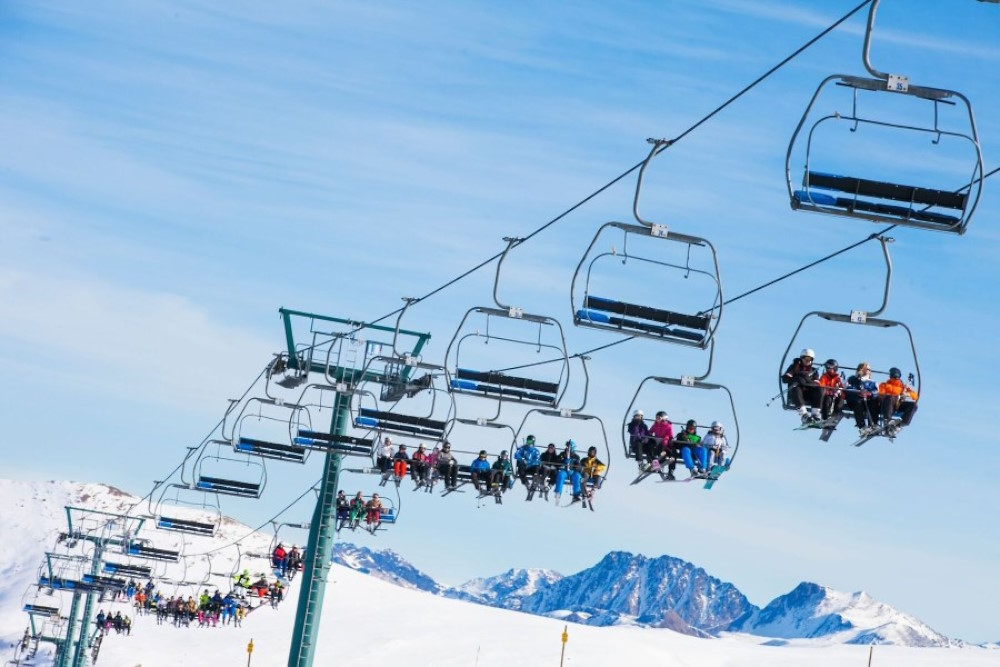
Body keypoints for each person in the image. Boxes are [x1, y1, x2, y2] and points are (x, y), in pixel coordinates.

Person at [782, 348, 822, 423]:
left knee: (819, 389)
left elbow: (816, 383)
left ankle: (815, 415)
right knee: (795, 387)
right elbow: (785, 379)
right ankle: (804, 415)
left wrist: (807, 381)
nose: (808, 361)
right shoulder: (794, 368)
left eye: (810, 359)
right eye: (806, 358)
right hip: (797, 393)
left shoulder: (813, 370)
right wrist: (796, 379)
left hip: (808, 393)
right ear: (802, 358)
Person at [878, 367, 918, 434]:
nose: (895, 378)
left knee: (913, 405)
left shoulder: (903, 388)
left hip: (898, 405)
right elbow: (880, 395)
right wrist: (890, 396)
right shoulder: (884, 385)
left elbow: (915, 397)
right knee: (890, 397)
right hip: (887, 405)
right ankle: (888, 421)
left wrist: (907, 394)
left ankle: (901, 424)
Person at [846, 361, 879, 431]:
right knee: (858, 403)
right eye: (867, 369)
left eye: (869, 370)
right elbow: (848, 388)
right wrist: (857, 392)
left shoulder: (872, 382)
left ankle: (873, 424)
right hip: (856, 399)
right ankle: (861, 425)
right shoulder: (853, 379)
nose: (868, 371)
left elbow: (876, 392)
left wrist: (870, 393)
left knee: (873, 403)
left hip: (867, 400)